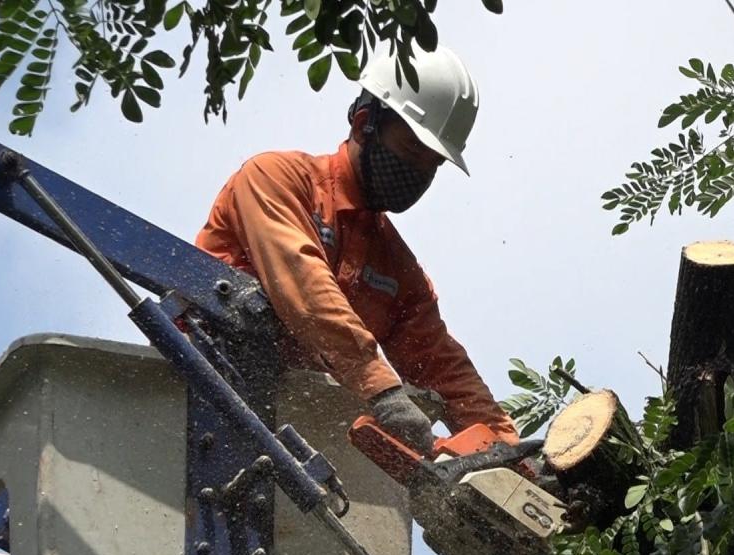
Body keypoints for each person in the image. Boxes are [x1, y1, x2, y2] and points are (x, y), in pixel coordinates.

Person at [195, 46, 518, 455]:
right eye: (412, 152)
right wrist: (382, 389)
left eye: (432, 163)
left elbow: (443, 367)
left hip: (294, 425)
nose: (418, 173)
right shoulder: (276, 179)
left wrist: (510, 453)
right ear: (366, 124)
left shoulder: (399, 271)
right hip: (196, 389)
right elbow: (304, 285)